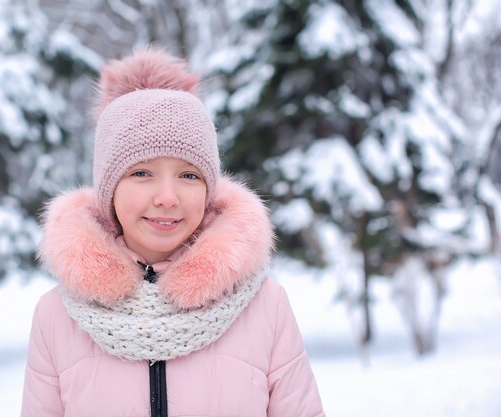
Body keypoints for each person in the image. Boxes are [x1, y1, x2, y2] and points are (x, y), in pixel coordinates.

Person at [21, 48, 325, 417]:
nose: (167, 198)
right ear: (109, 190)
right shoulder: (56, 316)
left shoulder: (265, 307)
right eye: (141, 173)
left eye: (188, 175)